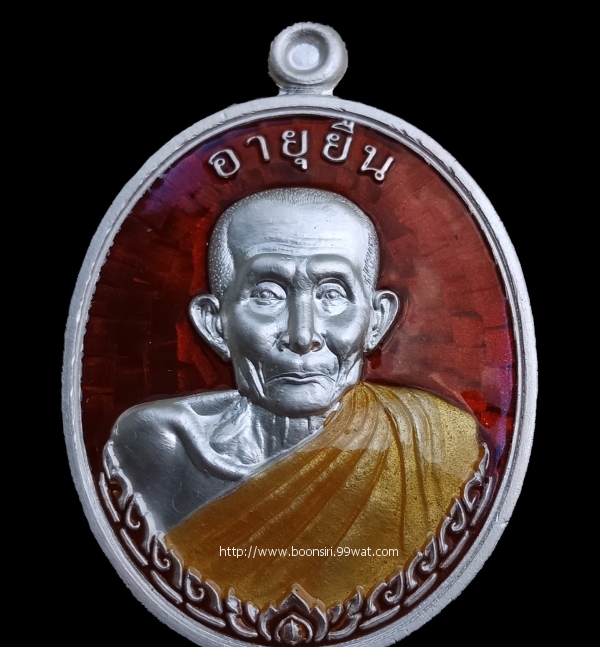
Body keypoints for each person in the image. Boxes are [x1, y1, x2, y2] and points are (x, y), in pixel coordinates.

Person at [106, 187, 483, 608]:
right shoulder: (162, 447)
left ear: (376, 320)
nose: (302, 335)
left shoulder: (438, 441)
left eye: (332, 294)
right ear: (215, 324)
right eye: (267, 294)